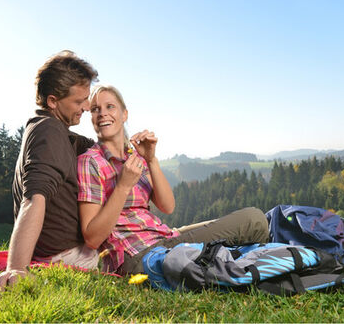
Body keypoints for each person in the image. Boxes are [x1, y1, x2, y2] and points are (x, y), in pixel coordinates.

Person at [77, 85, 269, 274]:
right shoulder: (90, 161)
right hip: (141, 254)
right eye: (95, 109)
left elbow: (167, 206)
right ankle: (259, 268)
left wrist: (151, 159)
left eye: (110, 106)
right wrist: (123, 186)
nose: (102, 113)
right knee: (253, 220)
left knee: (256, 220)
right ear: (91, 117)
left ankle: (249, 266)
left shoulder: (133, 157)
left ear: (124, 114)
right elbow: (92, 238)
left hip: (165, 236)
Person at [0, 51, 99, 292]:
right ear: (53, 101)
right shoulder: (49, 133)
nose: (87, 107)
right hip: (71, 256)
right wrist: (17, 268)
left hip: (65, 252)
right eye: (79, 102)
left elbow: (94, 147)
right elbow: (33, 198)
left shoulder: (53, 129)